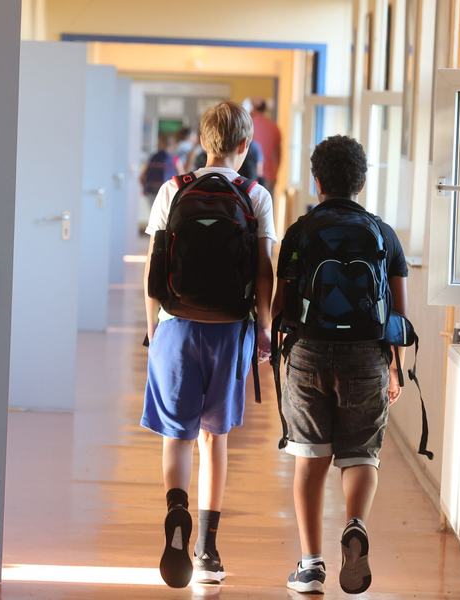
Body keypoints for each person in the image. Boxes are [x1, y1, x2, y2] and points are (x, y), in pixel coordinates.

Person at [142, 101, 277, 588]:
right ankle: (208, 549)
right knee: (213, 438)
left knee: (175, 435)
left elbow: (154, 264)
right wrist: (263, 327)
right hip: (229, 328)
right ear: (245, 146)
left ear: (203, 143)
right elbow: (264, 271)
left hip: (176, 324)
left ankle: (177, 511)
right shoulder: (255, 195)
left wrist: (154, 327)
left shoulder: (172, 189)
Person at [272, 135, 409, 595]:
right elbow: (399, 317)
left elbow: (280, 303)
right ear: (363, 182)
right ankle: (354, 526)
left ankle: (311, 566)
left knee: (311, 458)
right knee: (361, 453)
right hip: (367, 356)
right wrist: (396, 369)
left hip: (309, 351)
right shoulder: (382, 233)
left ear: (317, 182)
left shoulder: (300, 231)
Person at [140, 134, 183, 205]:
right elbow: (182, 176)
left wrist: (144, 188)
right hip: (168, 191)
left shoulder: (153, 158)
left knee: (153, 214)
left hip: (152, 190)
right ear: (173, 145)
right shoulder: (174, 159)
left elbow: (141, 177)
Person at [250, 99, 282, 195]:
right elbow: (279, 153)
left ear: (253, 109)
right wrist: (276, 174)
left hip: (251, 175)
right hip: (269, 175)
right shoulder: (274, 126)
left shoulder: (249, 124)